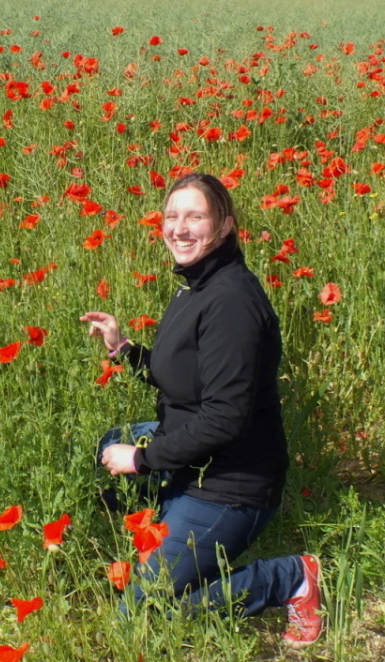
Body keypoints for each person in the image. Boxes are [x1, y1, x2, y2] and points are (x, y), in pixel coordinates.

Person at [80, 172, 322, 648]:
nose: (179, 228)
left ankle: (290, 578)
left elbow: (225, 416)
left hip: (231, 485)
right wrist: (124, 348)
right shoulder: (196, 285)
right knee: (106, 445)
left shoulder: (231, 301)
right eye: (172, 216)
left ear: (225, 225)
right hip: (193, 459)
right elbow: (183, 377)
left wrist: (143, 459)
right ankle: (170, 537)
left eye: (195, 217)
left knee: (142, 615)